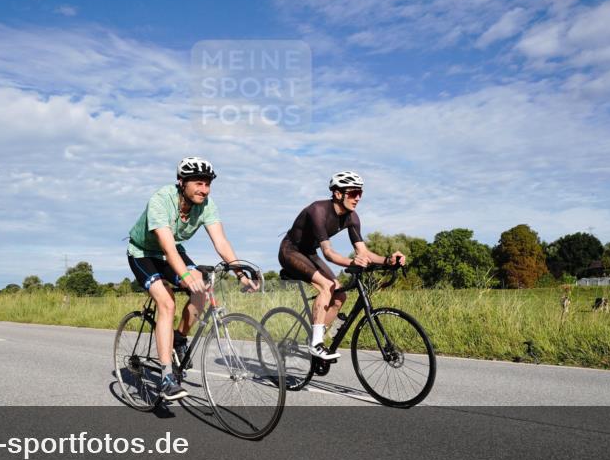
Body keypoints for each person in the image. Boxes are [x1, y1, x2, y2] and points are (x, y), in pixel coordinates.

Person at [127, 157, 256, 402]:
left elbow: (221, 242)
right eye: (198, 183)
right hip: (143, 253)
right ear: (181, 182)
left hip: (171, 250)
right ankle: (166, 378)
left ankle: (179, 337)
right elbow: (167, 247)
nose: (204, 189)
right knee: (167, 303)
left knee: (203, 289)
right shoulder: (160, 200)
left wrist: (240, 272)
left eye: (208, 184)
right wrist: (186, 275)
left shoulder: (207, 204)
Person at [278, 171, 405, 359]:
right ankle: (316, 345)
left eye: (360, 193)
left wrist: (388, 260)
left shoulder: (352, 217)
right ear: (338, 194)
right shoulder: (318, 211)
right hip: (291, 251)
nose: (358, 198)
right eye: (354, 193)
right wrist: (351, 262)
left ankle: (314, 338)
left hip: (310, 254)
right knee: (327, 286)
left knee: (339, 295)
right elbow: (328, 253)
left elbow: (364, 252)